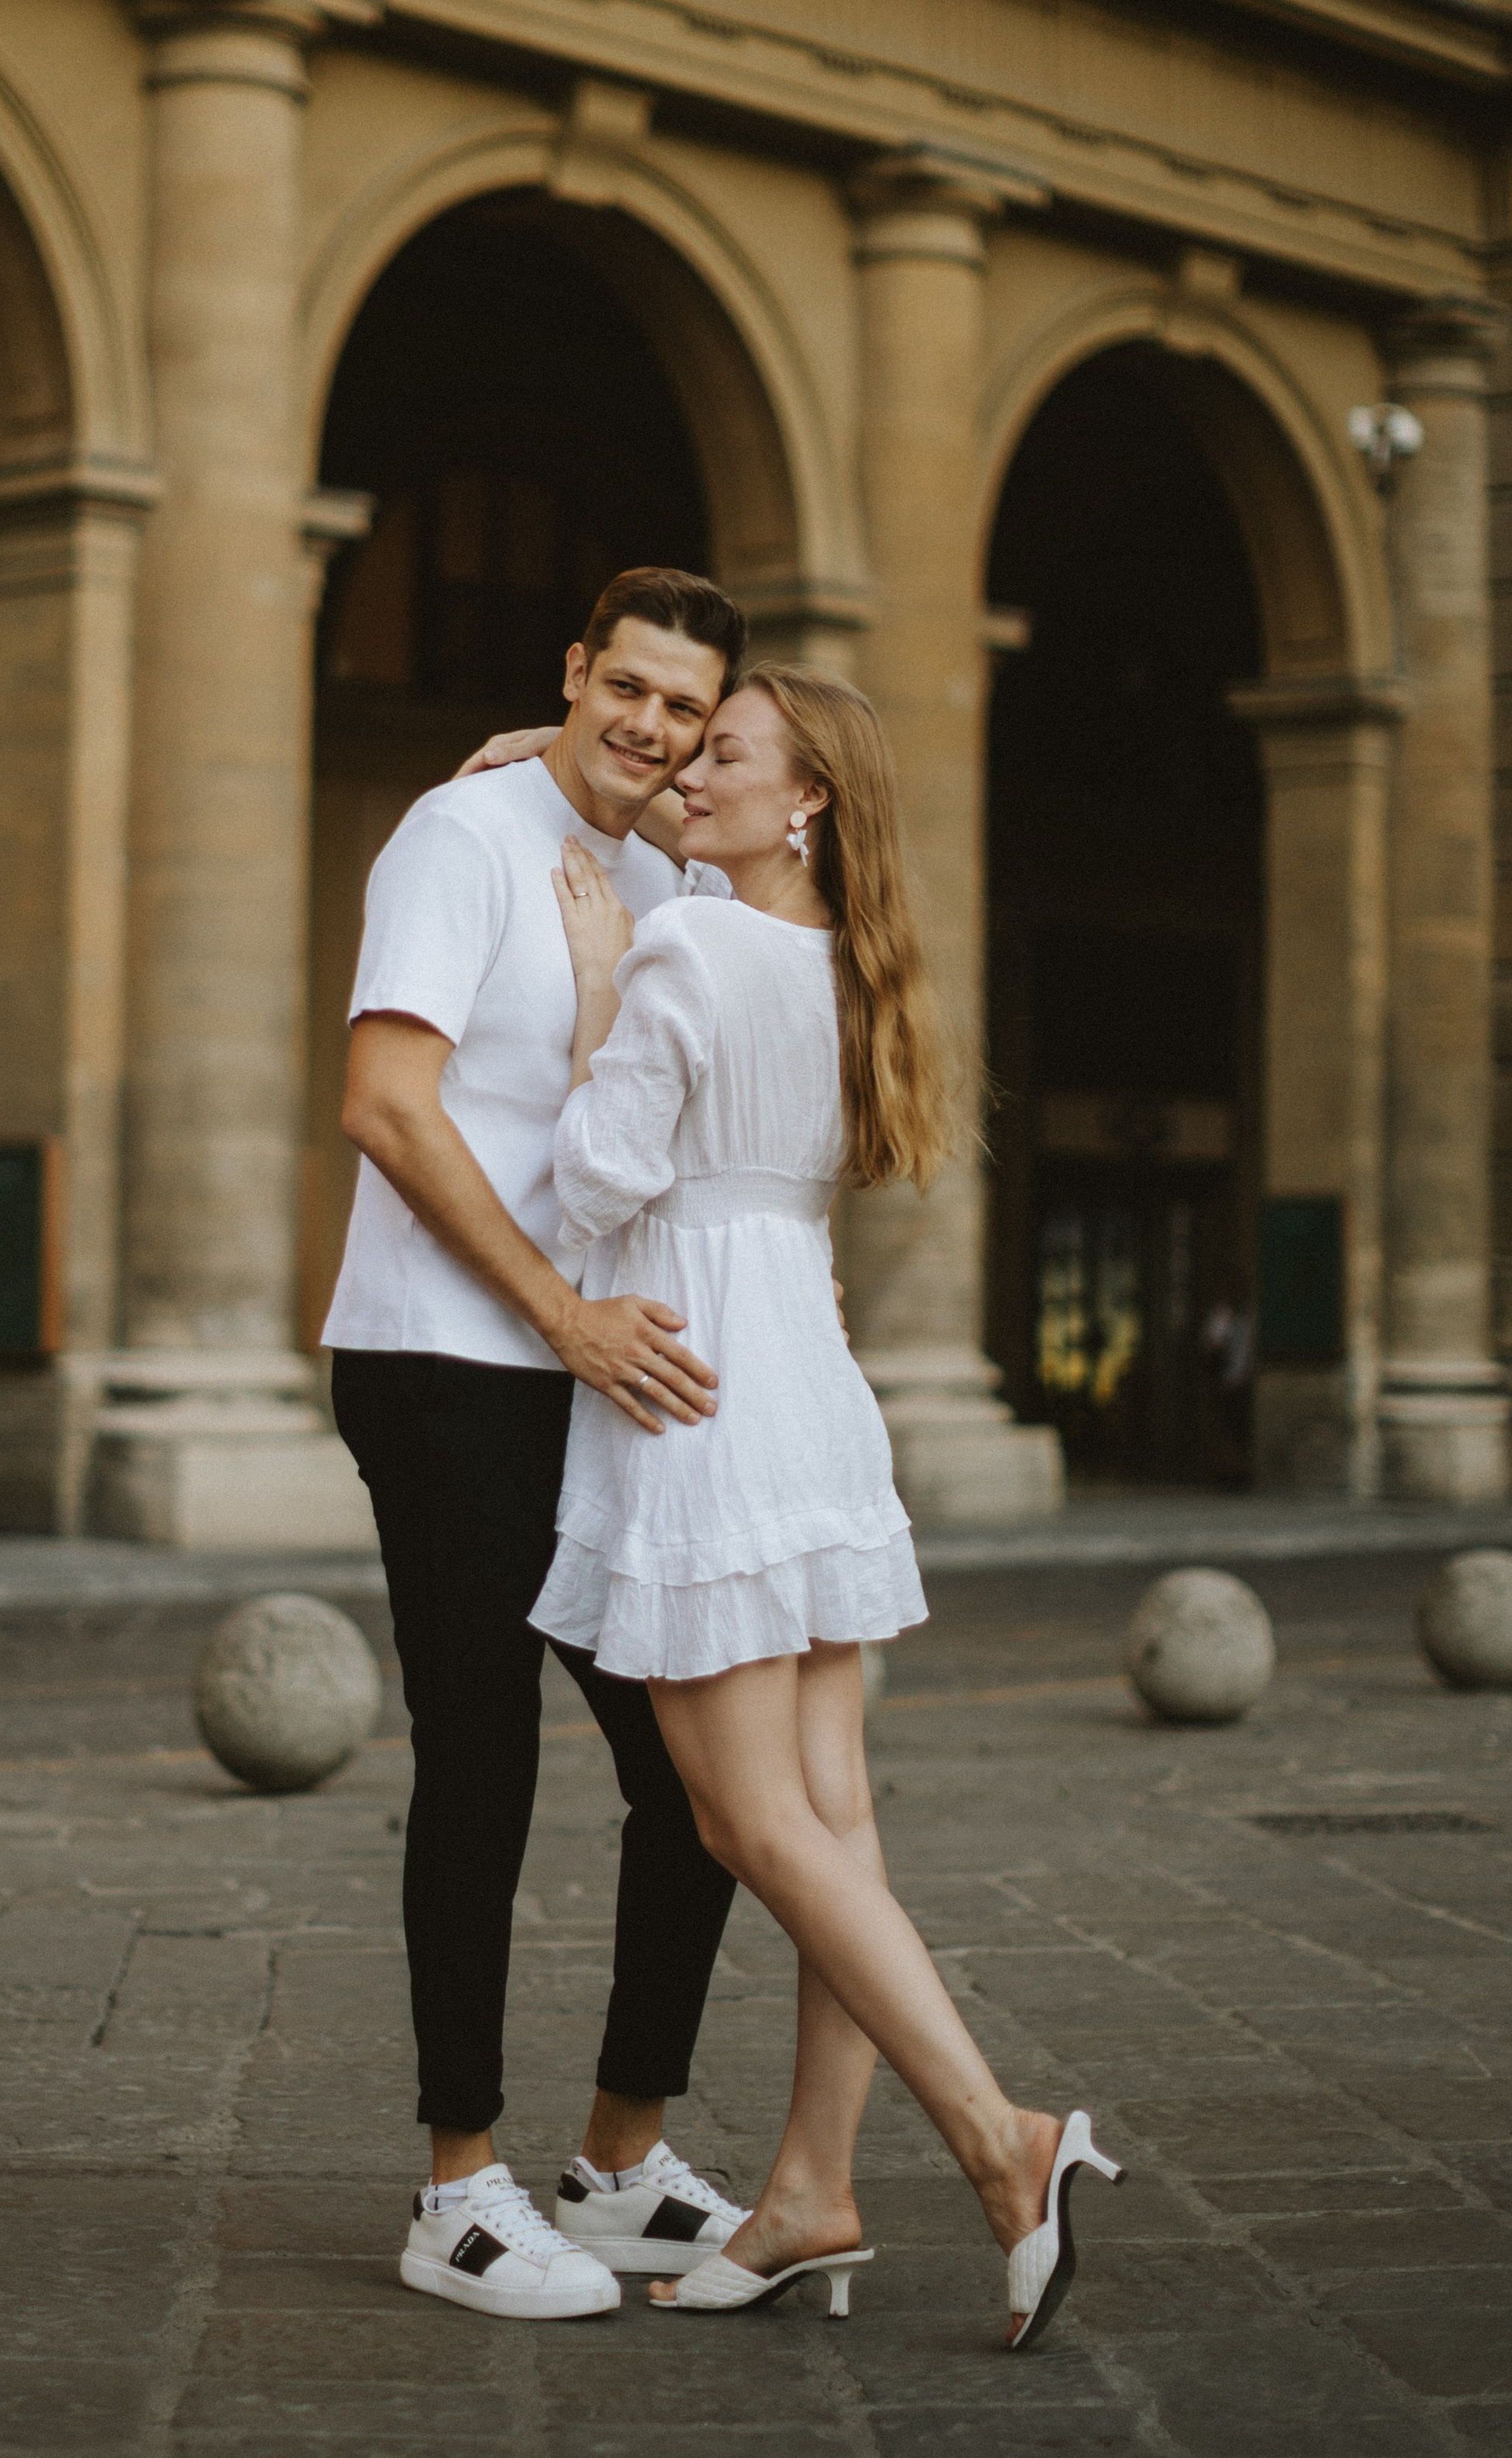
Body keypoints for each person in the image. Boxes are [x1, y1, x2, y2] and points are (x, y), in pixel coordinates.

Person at [532, 664, 1122, 2346]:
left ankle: (1002, 2139)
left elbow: (593, 1184)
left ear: (805, 802)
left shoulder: (685, 946)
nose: (688, 771)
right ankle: (808, 2192)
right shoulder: (846, 966)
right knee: (833, 1818)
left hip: (701, 1383)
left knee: (750, 1823)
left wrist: (597, 993)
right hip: (801, 1366)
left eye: (725, 753)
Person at [324, 568, 758, 2322]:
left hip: (584, 1373)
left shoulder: (670, 875)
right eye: (624, 685)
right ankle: (456, 2188)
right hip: (441, 1359)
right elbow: (383, 1103)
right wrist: (562, 1316)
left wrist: (593, 1336)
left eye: (683, 706)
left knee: (699, 1776)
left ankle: (620, 2157)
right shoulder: (460, 836)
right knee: (482, 1755)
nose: (649, 724)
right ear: (575, 669)